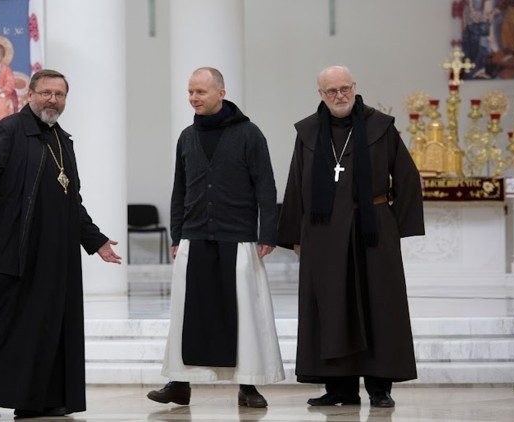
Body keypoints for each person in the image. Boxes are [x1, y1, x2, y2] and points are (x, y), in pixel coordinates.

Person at [0, 69, 122, 418]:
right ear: (30, 95)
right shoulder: (9, 130)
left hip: (52, 256)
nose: (52, 100)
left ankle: (40, 399)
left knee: (44, 330)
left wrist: (97, 240)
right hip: (11, 249)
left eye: (59, 95)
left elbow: (72, 201)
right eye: (45, 93)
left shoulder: (63, 141)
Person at [277, 66, 424, 408]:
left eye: (345, 88)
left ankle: (379, 387)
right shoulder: (309, 132)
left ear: (355, 88)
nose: (339, 96)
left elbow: (406, 176)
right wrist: (294, 235)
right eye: (331, 91)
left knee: (379, 306)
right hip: (323, 235)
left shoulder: (380, 126)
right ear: (321, 94)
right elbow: (296, 182)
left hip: (371, 231)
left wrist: (394, 227)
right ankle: (339, 388)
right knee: (331, 307)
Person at [147, 67, 284, 408]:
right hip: (194, 236)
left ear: (221, 93)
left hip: (236, 237)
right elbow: (179, 189)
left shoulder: (250, 134)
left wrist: (267, 231)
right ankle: (179, 383)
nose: (194, 97)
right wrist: (177, 234)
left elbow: (265, 186)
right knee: (185, 313)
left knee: (244, 315)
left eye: (201, 92)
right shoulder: (186, 137)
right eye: (190, 92)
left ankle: (248, 386)